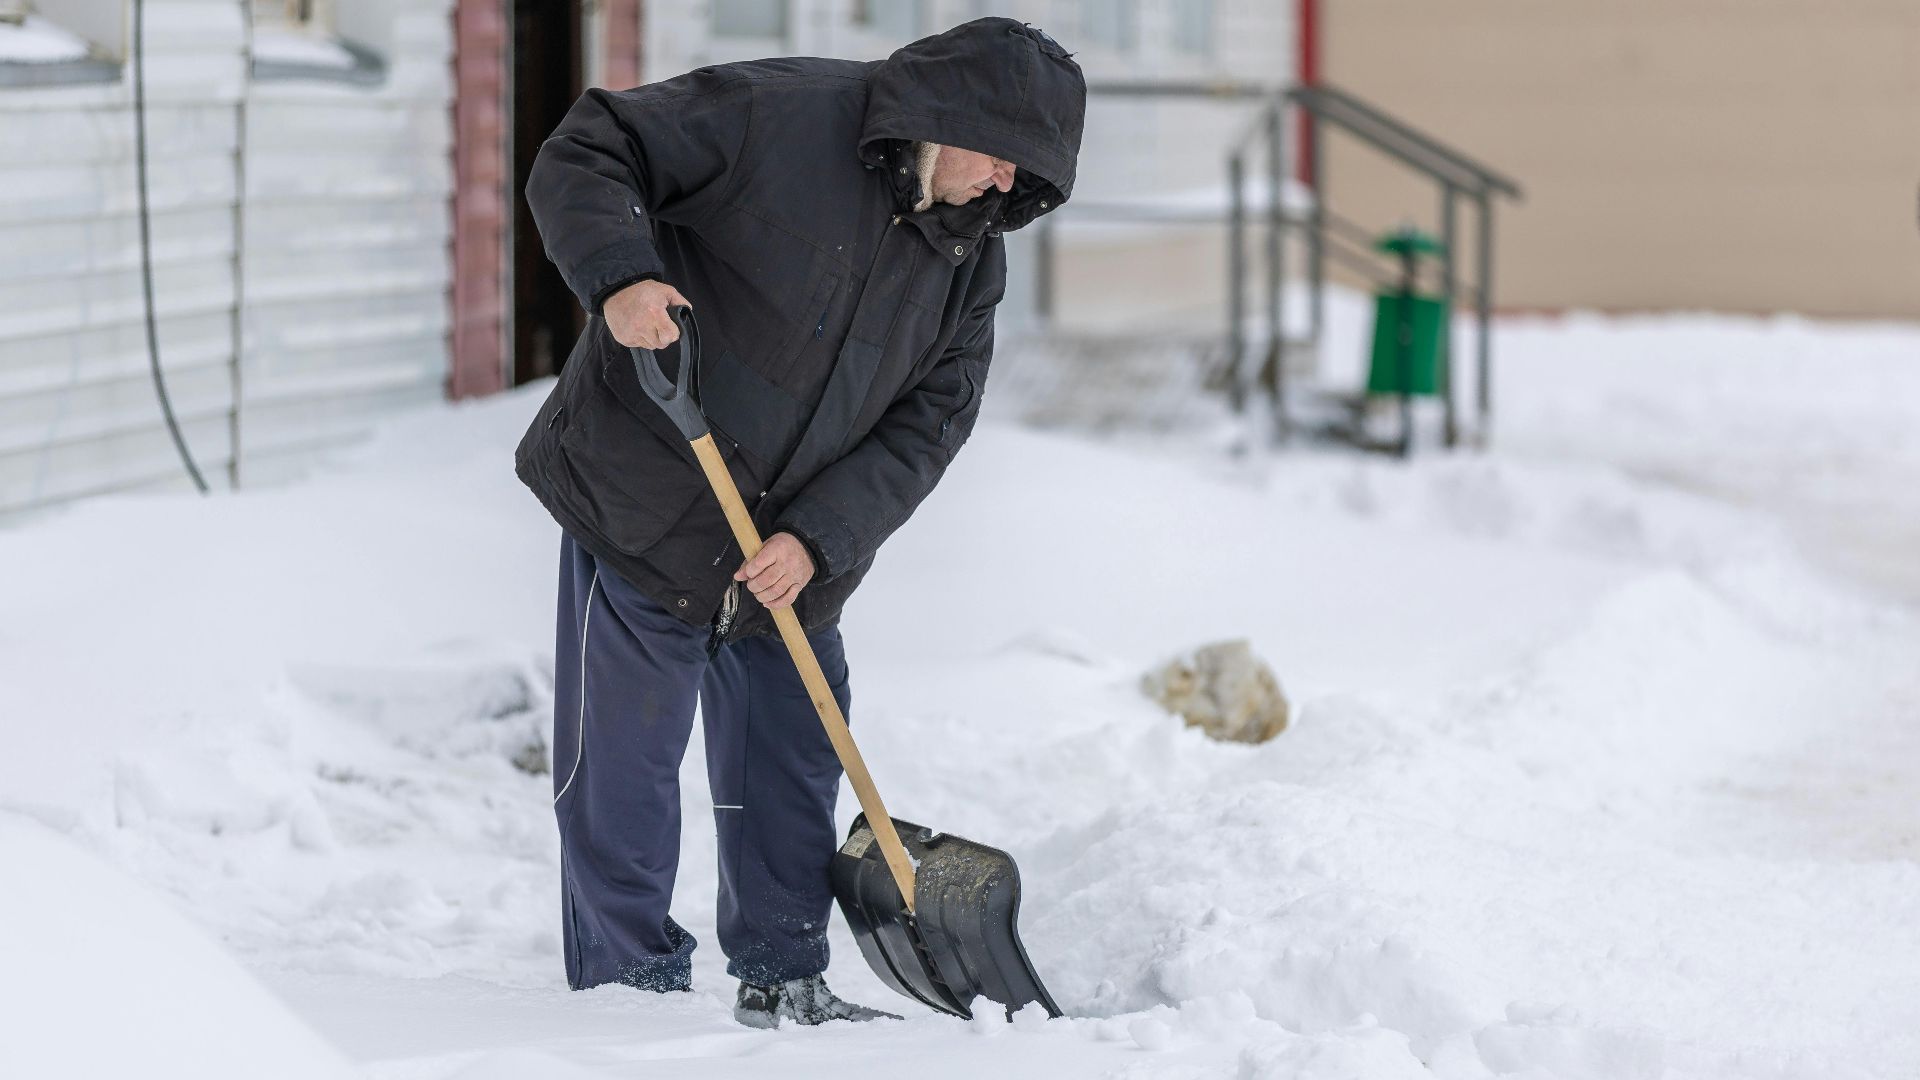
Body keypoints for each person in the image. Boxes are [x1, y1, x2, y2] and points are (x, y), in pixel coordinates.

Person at [513, 17, 1084, 1028]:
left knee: (792, 750)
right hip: (650, 493)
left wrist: (820, 538)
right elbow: (594, 143)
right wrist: (622, 275)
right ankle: (626, 987)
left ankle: (783, 971)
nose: (1006, 185)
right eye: (1001, 156)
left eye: (1026, 174)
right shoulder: (781, 115)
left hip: (791, 545)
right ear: (946, 119)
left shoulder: (971, 259)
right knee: (627, 758)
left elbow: (930, 424)